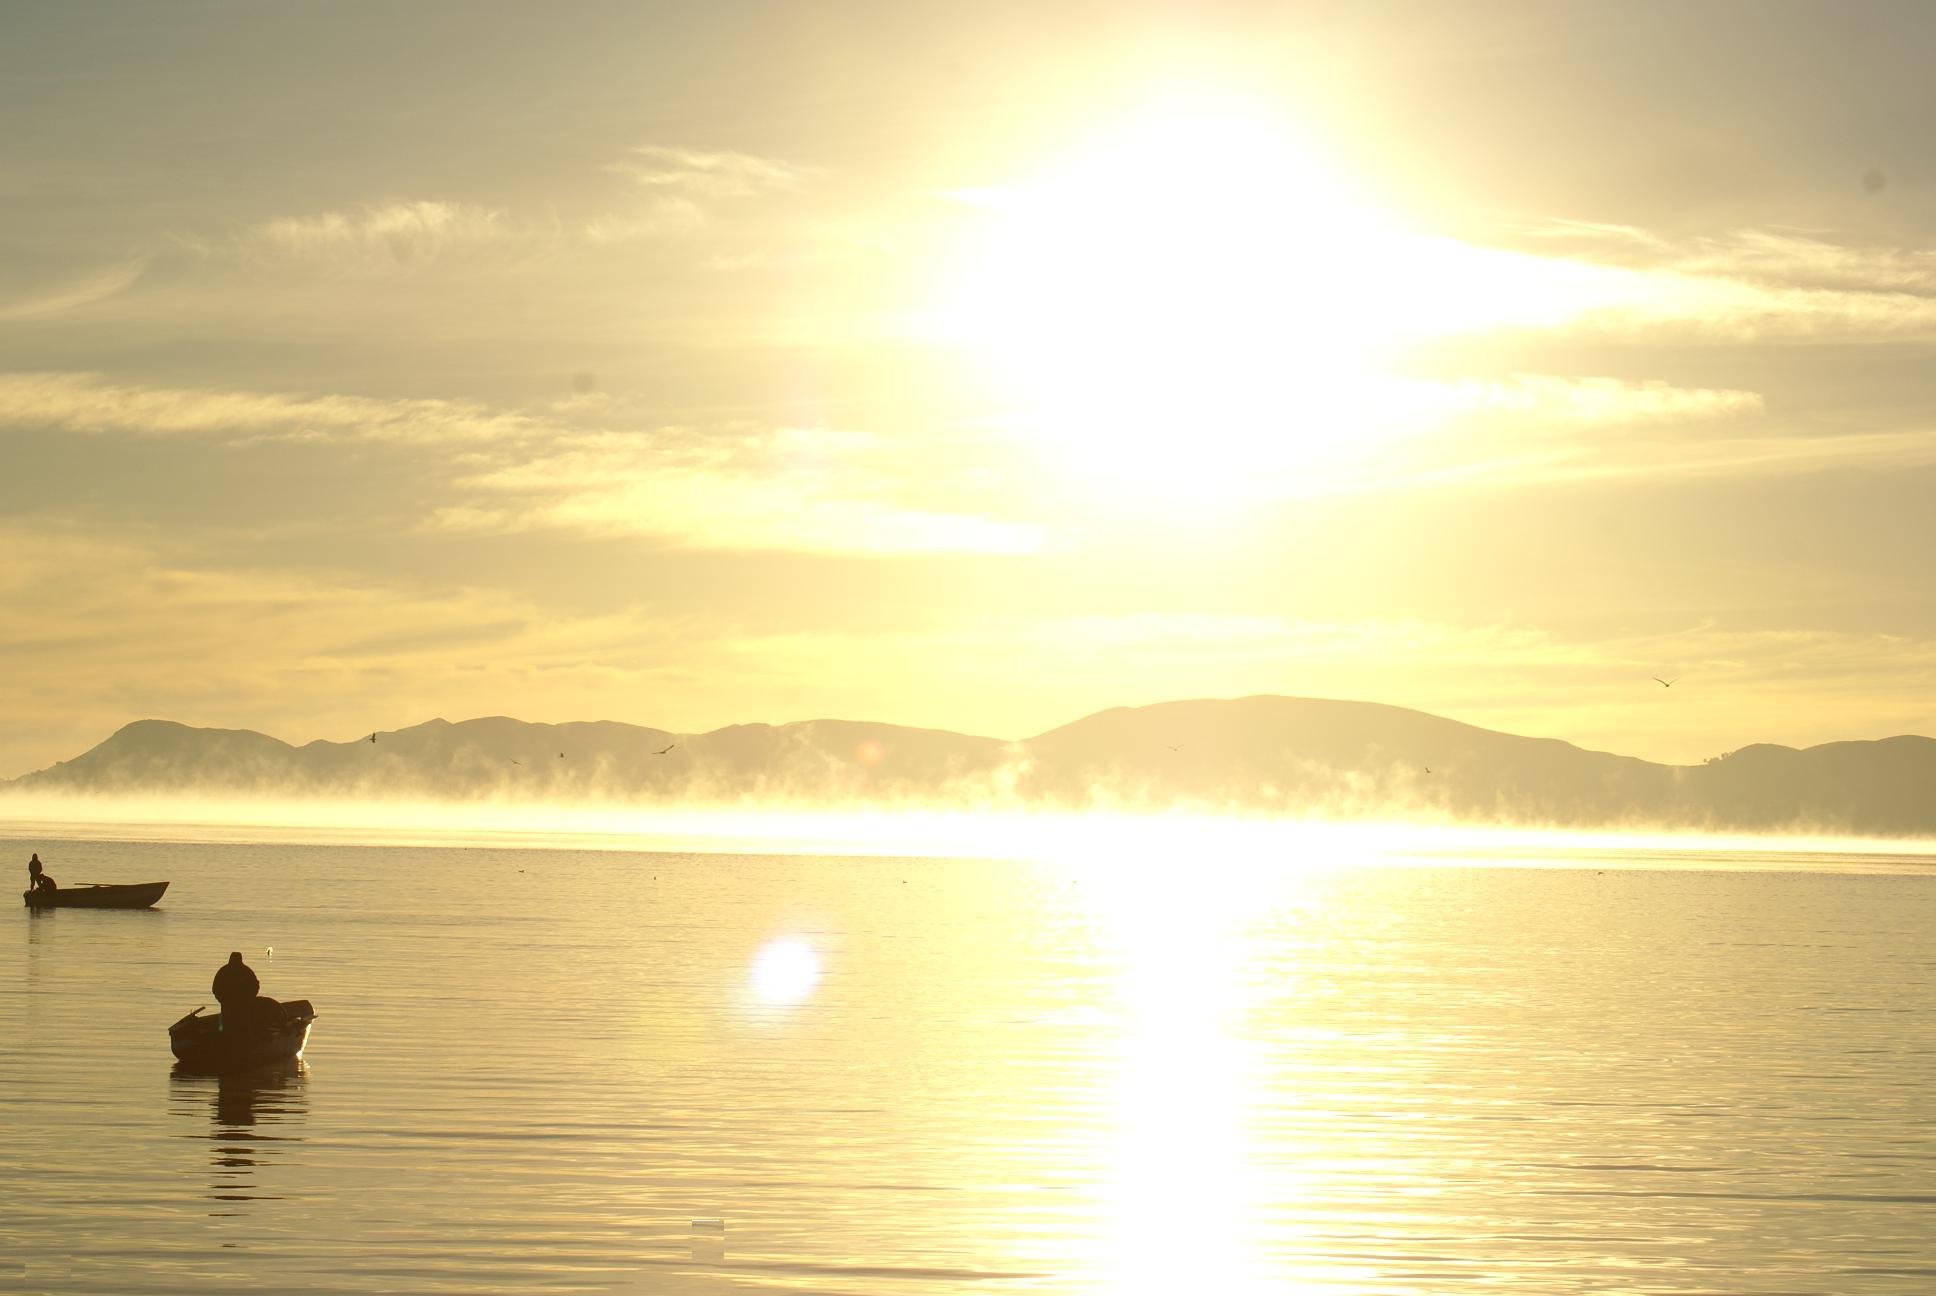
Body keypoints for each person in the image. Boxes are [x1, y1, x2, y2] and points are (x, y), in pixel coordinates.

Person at [212, 951, 261, 1034]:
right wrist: (222, 1000)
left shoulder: (224, 971)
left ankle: (228, 1037)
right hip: (230, 1004)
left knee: (235, 1025)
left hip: (239, 1004)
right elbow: (216, 988)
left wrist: (249, 1000)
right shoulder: (246, 971)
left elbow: (215, 988)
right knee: (235, 1025)